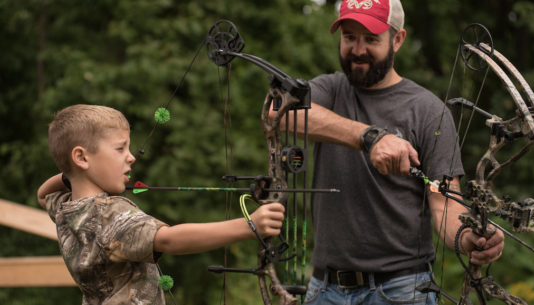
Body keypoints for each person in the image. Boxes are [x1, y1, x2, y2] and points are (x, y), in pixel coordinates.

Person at [279, 1, 505, 304]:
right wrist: (369, 136)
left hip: (400, 290)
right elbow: (277, 113)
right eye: (349, 37)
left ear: (397, 39)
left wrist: (470, 238)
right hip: (325, 289)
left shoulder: (428, 111)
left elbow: (445, 204)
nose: (358, 49)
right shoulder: (330, 90)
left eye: (371, 39)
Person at [37, 104, 285, 305]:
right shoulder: (109, 215)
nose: (131, 156)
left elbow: (42, 194)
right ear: (81, 157)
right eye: (120, 148)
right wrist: (249, 226)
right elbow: (168, 239)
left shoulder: (66, 208)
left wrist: (70, 174)